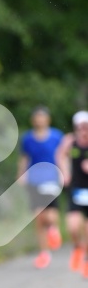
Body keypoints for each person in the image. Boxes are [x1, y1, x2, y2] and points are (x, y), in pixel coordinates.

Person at [17, 106, 63, 269]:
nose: (39, 120)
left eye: (42, 117)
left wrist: (65, 173)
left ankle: (53, 228)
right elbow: (24, 158)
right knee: (38, 217)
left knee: (50, 216)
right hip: (34, 181)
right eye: (37, 117)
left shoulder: (57, 136)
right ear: (33, 120)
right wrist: (21, 174)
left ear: (47, 119)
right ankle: (44, 253)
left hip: (52, 179)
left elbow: (62, 156)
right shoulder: (28, 139)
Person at [56, 110, 88, 278]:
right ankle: (77, 248)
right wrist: (65, 172)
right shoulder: (70, 142)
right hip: (76, 190)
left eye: (86, 127)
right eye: (80, 127)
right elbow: (60, 156)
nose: (83, 131)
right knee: (73, 227)